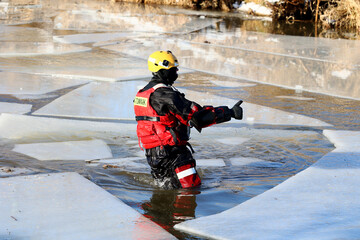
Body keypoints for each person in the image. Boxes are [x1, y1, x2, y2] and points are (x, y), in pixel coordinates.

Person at [134, 50, 243, 189]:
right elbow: (198, 118)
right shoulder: (167, 95)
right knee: (190, 190)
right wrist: (230, 112)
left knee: (165, 188)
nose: (177, 73)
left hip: (153, 154)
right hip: (173, 153)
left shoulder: (143, 94)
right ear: (162, 69)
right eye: (173, 69)